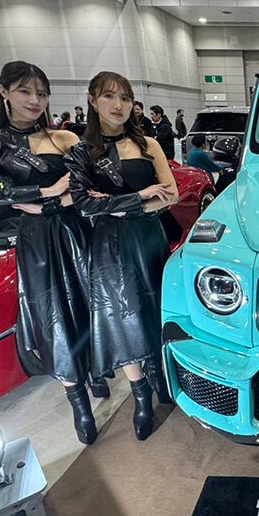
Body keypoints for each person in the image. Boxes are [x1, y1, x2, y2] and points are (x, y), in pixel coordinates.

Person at [0, 61, 94, 443]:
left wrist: (47, 202)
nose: (35, 99)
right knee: (52, 315)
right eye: (25, 91)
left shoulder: (62, 137)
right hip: (36, 239)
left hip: (75, 230)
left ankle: (96, 371)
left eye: (41, 92)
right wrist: (46, 191)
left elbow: (83, 186)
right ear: (4, 92)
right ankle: (78, 399)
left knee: (90, 303)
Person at [65, 71, 178, 441]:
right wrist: (141, 196)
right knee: (121, 316)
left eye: (126, 98)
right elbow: (83, 205)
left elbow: (171, 195)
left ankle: (161, 377)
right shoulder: (82, 152)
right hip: (109, 246)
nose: (119, 105)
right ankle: (140, 394)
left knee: (156, 308)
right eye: (110, 96)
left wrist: (114, 205)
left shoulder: (149, 144)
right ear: (93, 101)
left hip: (149, 238)